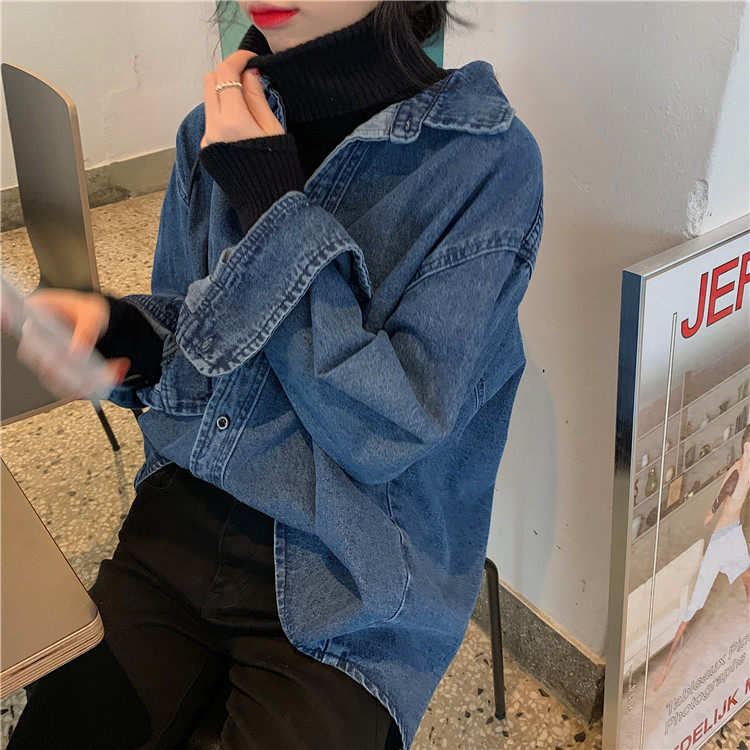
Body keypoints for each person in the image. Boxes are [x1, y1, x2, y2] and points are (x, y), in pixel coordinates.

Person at [9, 2, 544, 748]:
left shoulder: (484, 165)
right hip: (186, 517)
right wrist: (128, 336)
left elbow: (386, 432)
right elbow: (197, 344)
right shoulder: (210, 130)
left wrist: (271, 208)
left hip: (352, 575)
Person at [653, 423, 750, 693]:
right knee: (694, 605)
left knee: (746, 571)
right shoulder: (737, 472)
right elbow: (720, 498)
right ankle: (667, 665)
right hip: (720, 540)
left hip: (734, 532)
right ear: (745, 447)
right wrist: (709, 514)